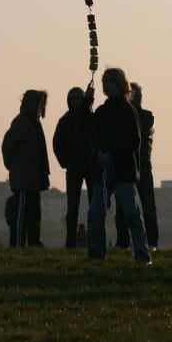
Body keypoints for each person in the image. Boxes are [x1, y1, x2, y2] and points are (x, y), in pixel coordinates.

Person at [85, 68, 151, 264]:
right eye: (105, 82)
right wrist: (87, 101)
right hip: (103, 170)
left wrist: (112, 155)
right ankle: (96, 255)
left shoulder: (128, 111)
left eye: (112, 82)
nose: (107, 86)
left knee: (131, 213)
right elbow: (85, 126)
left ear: (121, 86)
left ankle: (142, 254)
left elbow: (133, 141)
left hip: (123, 170)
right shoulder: (101, 111)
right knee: (95, 213)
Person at [1, 89, 50, 247]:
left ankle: (33, 242)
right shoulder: (22, 122)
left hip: (33, 179)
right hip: (24, 180)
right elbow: (7, 146)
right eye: (40, 104)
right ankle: (18, 244)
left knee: (33, 213)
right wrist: (13, 167)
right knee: (21, 214)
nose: (41, 107)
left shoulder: (33, 123)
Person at [115, 82, 159, 250]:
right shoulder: (122, 116)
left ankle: (152, 242)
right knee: (122, 208)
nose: (138, 99)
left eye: (140, 95)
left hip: (143, 165)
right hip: (126, 164)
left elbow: (139, 134)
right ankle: (123, 242)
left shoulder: (148, 116)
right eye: (135, 95)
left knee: (148, 207)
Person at [52, 87, 94, 248]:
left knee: (94, 206)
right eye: (73, 98)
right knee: (72, 207)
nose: (76, 101)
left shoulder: (90, 118)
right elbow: (57, 144)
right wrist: (65, 162)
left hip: (91, 167)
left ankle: (94, 240)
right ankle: (70, 243)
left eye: (79, 98)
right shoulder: (65, 120)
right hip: (74, 168)